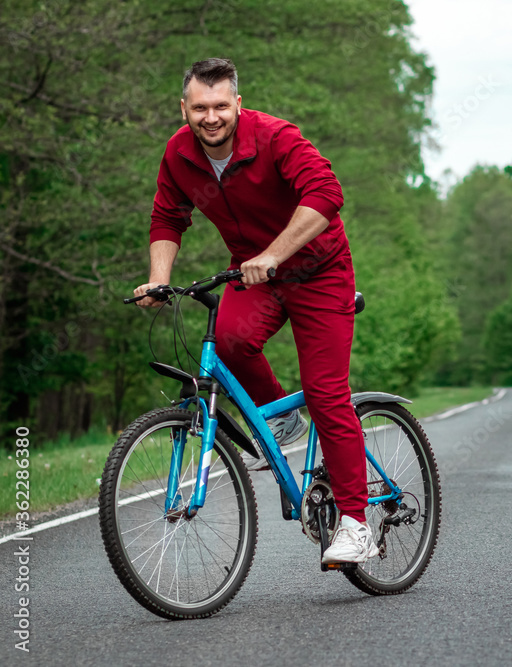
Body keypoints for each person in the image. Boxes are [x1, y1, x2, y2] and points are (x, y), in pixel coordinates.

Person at [133, 58, 376, 564]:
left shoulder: (274, 138)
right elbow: (168, 215)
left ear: (238, 105)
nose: (211, 117)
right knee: (227, 341)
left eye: (221, 105)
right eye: (200, 107)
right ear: (184, 109)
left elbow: (327, 193)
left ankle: (356, 523)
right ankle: (281, 423)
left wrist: (274, 253)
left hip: (318, 271)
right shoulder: (180, 154)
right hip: (253, 274)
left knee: (327, 392)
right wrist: (159, 278)